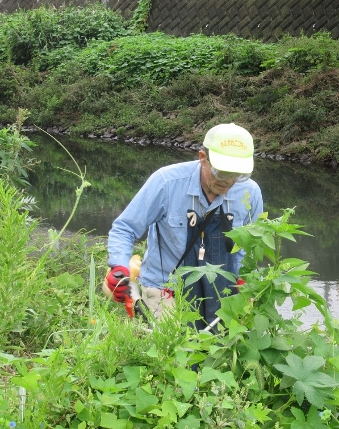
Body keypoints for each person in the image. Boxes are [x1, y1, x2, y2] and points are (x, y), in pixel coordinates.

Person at [104, 123, 263, 330]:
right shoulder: (166, 183)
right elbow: (125, 228)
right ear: (202, 158)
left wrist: (246, 280)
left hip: (222, 294)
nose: (230, 181)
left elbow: (250, 248)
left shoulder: (249, 192)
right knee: (174, 356)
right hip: (167, 290)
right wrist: (119, 268)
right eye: (223, 172)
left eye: (238, 174)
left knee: (219, 358)